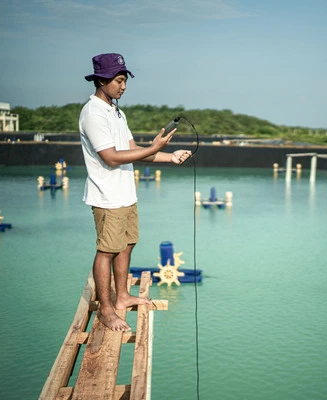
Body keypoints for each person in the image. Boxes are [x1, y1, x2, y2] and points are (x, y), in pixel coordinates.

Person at [79, 53, 192, 331]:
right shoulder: (93, 113)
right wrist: (154, 148)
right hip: (107, 197)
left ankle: (123, 297)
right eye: (119, 80)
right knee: (106, 251)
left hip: (126, 194)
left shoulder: (116, 111)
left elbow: (132, 151)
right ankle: (106, 310)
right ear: (102, 80)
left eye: (125, 80)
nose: (123, 86)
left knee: (127, 245)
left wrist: (169, 157)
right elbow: (111, 157)